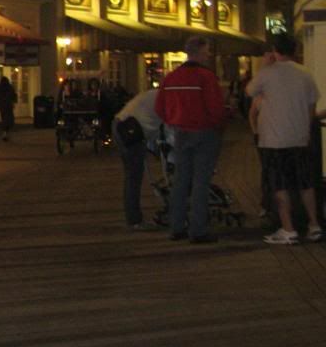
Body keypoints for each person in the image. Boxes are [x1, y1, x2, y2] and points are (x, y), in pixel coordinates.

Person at [246, 34, 323, 244]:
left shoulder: (267, 74)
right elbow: (311, 106)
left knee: (279, 185)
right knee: (305, 183)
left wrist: (264, 65)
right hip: (299, 137)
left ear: (274, 51)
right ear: (295, 49)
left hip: (273, 139)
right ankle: (314, 225)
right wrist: (306, 130)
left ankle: (288, 228)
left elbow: (250, 90)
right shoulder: (305, 73)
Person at [155, 36, 228, 243]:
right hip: (204, 132)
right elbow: (215, 108)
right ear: (199, 52)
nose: (209, 55)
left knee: (180, 180)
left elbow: (159, 108)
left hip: (180, 132)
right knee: (200, 182)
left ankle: (176, 227)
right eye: (207, 52)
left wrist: (173, 121)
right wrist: (218, 123)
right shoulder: (205, 77)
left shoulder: (171, 78)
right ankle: (198, 230)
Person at [112, 90, 162, 231]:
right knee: (134, 176)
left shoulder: (155, 94)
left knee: (131, 175)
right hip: (131, 129)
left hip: (122, 123)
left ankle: (133, 218)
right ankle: (134, 219)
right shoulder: (165, 98)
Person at [0, 76, 17, 141]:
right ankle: (6, 133)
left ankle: (4, 133)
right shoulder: (10, 87)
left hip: (2, 105)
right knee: (9, 119)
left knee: (4, 118)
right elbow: (14, 95)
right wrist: (13, 101)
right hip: (8, 105)